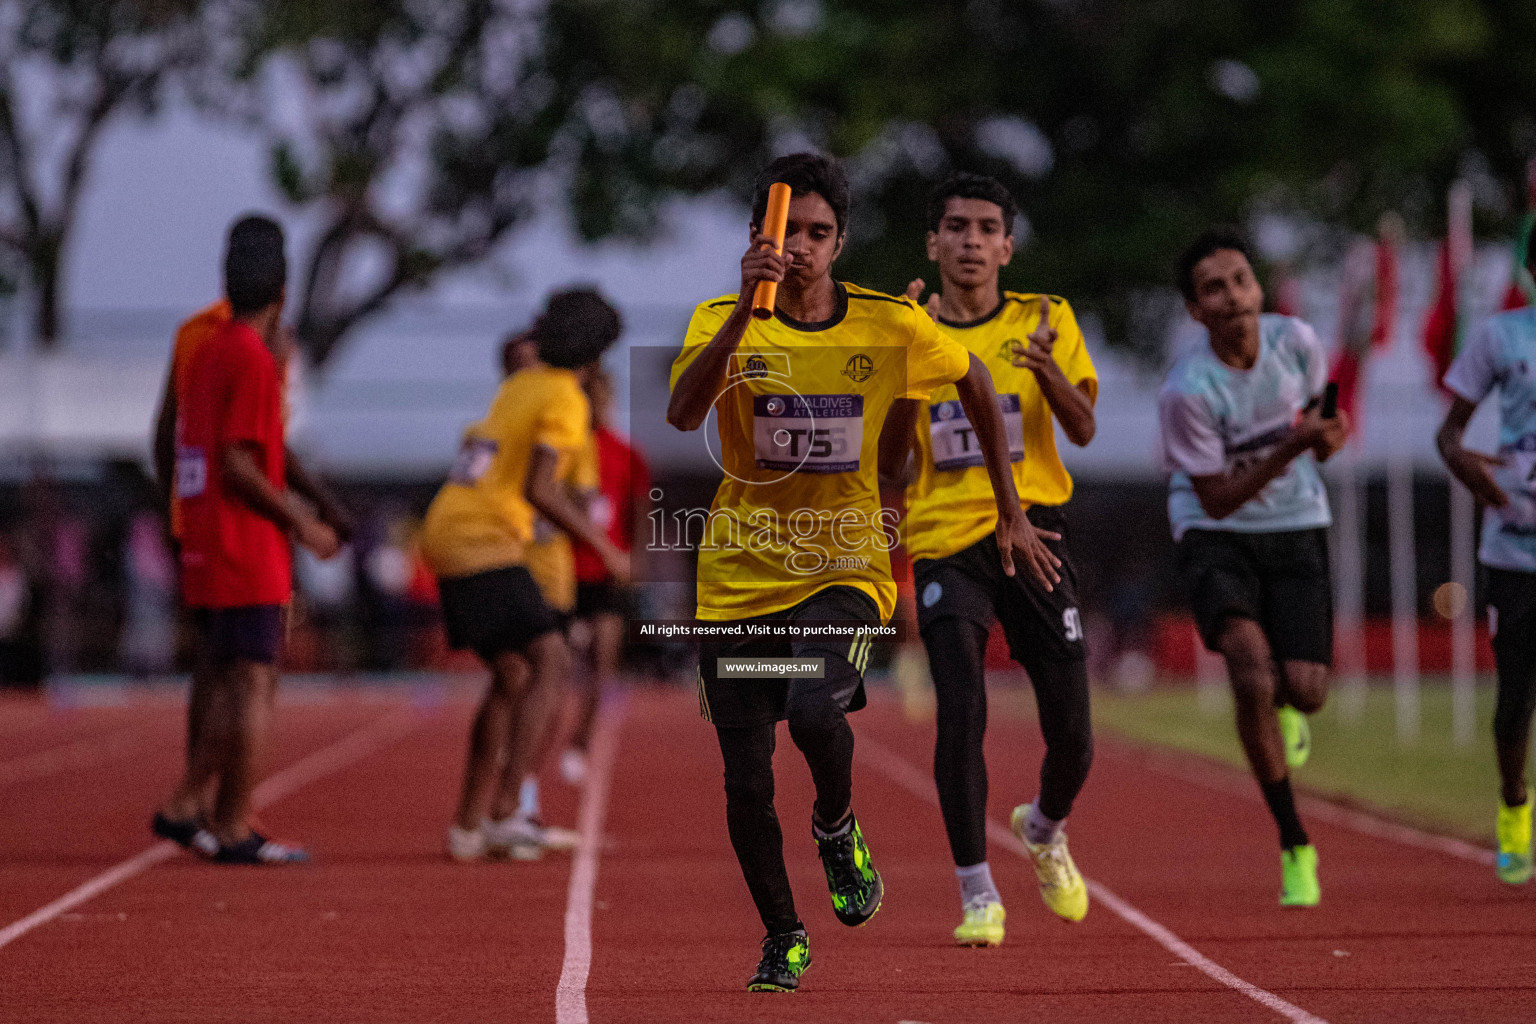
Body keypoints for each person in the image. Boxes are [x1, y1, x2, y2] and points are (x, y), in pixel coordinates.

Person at [667, 152, 1061, 993]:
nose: (801, 247)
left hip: (842, 564)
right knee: (745, 782)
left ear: (840, 241)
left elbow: (979, 380)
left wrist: (1011, 511)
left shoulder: (887, 323)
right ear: (757, 239)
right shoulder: (718, 318)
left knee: (815, 708)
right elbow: (682, 411)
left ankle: (838, 827)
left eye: (818, 233)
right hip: (736, 579)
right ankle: (784, 934)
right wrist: (745, 312)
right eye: (787, 232)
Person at [878, 173, 1097, 945]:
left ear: (1007, 246)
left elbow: (1085, 428)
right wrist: (908, 365)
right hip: (947, 540)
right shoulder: (911, 329)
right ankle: (978, 893)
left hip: (1036, 529)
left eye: (985, 228)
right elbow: (892, 463)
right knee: (961, 708)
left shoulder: (1046, 318)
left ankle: (1043, 828)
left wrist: (1044, 372)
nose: (970, 241)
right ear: (932, 243)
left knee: (1073, 732)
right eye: (955, 227)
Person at [1156, 228, 1348, 907]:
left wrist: (1325, 436)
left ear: (1257, 288)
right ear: (1194, 309)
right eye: (1214, 288)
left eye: (1240, 280)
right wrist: (1294, 445)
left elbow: (1327, 428)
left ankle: (1285, 705)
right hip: (1215, 529)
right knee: (1247, 664)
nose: (1232, 297)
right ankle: (1295, 841)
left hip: (1295, 523)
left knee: (1308, 690)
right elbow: (1216, 494)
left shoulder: (1296, 341)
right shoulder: (1189, 391)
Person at [156, 214, 343, 863]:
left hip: (207, 535)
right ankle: (230, 822)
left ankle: (186, 803)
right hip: (246, 546)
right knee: (254, 684)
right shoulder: (252, 359)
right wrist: (304, 523)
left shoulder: (204, 348)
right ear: (283, 294)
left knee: (228, 678)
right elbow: (242, 459)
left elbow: (198, 439)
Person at [421, 289, 630, 862]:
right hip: (482, 538)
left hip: (447, 527)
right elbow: (542, 490)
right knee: (554, 660)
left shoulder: (520, 385)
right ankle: (508, 811)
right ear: (597, 354)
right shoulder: (565, 396)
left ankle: (469, 824)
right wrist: (605, 550)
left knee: (514, 673)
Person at [1436, 228, 1536, 884]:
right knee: (1514, 701)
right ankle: (1513, 804)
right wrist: (1483, 482)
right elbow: (1447, 436)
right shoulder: (1501, 337)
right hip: (1515, 549)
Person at [561, 368, 651, 784]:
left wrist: (636, 559)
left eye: (602, 396)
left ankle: (580, 741)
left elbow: (640, 512)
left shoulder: (627, 454)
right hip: (567, 571)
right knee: (560, 661)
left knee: (602, 660)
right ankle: (549, 733)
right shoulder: (564, 450)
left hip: (608, 573)